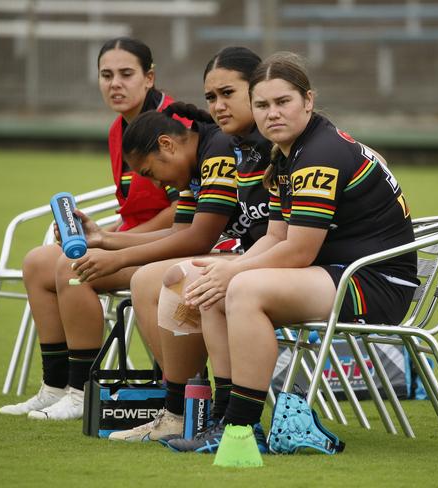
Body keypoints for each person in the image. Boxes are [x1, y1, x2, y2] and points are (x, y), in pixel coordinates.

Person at [166, 52, 419, 452]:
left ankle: (241, 431)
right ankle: (222, 419)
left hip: (375, 281)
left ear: (308, 101)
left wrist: (235, 274)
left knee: (245, 291)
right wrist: (223, 270)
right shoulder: (287, 153)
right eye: (262, 105)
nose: (272, 114)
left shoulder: (319, 153)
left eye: (283, 102)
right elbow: (276, 237)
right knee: (211, 287)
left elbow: (298, 251)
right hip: (338, 270)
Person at [0, 37, 183, 419]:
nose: (115, 83)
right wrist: (98, 231)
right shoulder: (119, 128)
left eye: (126, 74)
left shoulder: (174, 124)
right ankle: (54, 386)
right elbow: (135, 207)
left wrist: (113, 241)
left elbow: (186, 209)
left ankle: (81, 390)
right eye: (106, 75)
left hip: (170, 246)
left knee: (72, 268)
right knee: (36, 262)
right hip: (130, 239)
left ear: (149, 78)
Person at [107, 47, 273, 443]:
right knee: (160, 279)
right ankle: (187, 407)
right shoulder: (241, 146)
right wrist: (104, 241)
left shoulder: (227, 148)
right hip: (268, 261)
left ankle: (188, 408)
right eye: (211, 97)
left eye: (227, 93)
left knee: (170, 280)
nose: (218, 105)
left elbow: (197, 238)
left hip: (318, 272)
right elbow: (184, 231)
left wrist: (116, 255)